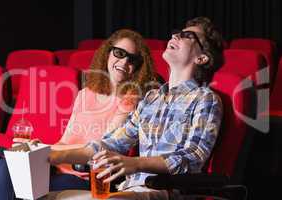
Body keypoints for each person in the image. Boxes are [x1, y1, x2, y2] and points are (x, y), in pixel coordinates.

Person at [48, 16, 224, 200]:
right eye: (177, 33)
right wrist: (52, 155)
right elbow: (110, 143)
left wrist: (136, 163)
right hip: (130, 189)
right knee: (49, 197)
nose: (176, 36)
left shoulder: (205, 99)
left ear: (202, 57)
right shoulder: (151, 99)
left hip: (168, 190)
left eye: (187, 36)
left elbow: (193, 157)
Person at [0, 29, 158, 200]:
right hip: (56, 166)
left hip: (86, 175)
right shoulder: (86, 94)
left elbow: (101, 148)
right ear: (108, 53)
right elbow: (65, 140)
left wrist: (44, 149)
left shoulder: (129, 100)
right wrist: (39, 148)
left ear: (138, 66)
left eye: (132, 59)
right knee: (7, 164)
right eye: (119, 53)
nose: (124, 61)